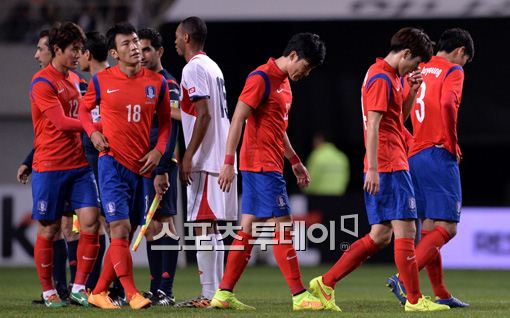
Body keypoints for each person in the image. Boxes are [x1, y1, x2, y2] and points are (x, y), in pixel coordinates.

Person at [307, 27, 450, 312]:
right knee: (407, 229)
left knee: (380, 235)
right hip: (388, 163)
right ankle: (414, 299)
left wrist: (412, 89)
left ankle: (326, 283)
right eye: (416, 62)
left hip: (389, 160)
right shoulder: (381, 78)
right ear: (406, 53)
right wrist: (372, 167)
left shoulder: (391, 77)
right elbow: (372, 125)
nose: (416, 68)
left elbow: (398, 120)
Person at [212, 32, 326, 311]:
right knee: (283, 226)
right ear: (294, 56)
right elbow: (237, 118)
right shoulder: (261, 78)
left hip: (270, 162)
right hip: (260, 164)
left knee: (247, 229)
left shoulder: (286, 84)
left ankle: (224, 294)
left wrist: (295, 160)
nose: (306, 73)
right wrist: (228, 161)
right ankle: (299, 296)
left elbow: (279, 128)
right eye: (306, 66)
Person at [80, 22, 171, 310]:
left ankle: (98, 291)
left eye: (135, 41)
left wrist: (158, 151)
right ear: (114, 53)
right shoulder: (101, 80)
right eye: (126, 44)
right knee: (118, 228)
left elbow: (166, 123)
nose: (134, 47)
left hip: (141, 168)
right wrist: (92, 131)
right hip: (111, 163)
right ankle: (132, 293)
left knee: (127, 232)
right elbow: (84, 109)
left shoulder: (157, 83)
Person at [386, 28, 474, 308]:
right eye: (466, 59)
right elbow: (448, 102)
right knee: (448, 227)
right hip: (438, 153)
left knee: (428, 226)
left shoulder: (419, 66)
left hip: (414, 155)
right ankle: (403, 277)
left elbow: (399, 111)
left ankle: (442, 293)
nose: (464, 66)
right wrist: (452, 143)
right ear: (460, 51)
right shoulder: (453, 71)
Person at [29, 22, 101, 308]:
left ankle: (79, 287)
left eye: (80, 49)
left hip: (79, 165)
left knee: (91, 223)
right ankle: (49, 292)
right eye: (73, 49)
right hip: (49, 165)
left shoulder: (75, 80)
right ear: (57, 50)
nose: (78, 54)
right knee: (49, 230)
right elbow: (60, 122)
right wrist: (97, 126)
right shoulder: (42, 82)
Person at [174, 16, 238, 307]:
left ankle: (209, 294)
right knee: (211, 227)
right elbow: (197, 112)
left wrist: (188, 155)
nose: (175, 40)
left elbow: (204, 114)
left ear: (187, 37)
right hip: (219, 155)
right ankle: (218, 293)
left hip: (205, 158)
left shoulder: (193, 67)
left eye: (177, 35)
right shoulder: (212, 66)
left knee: (202, 226)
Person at [138, 27, 181, 306]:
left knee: (165, 223)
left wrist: (164, 166)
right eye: (138, 49)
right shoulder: (140, 82)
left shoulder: (169, 83)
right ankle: (155, 288)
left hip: (161, 163)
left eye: (147, 49)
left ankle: (167, 288)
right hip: (142, 164)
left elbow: (174, 127)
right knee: (152, 225)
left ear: (159, 51)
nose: (141, 55)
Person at [303, 132, 350, 196]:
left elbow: (311, 177)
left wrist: (306, 191)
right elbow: (346, 177)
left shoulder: (317, 155)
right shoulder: (341, 157)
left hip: (319, 196)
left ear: (319, 140)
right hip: (338, 196)